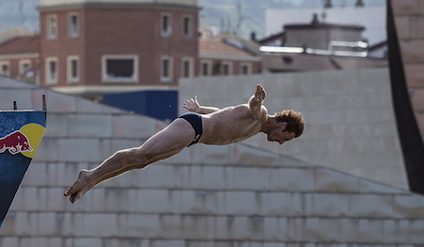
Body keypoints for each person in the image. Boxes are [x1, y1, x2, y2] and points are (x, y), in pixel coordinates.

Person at [64, 84, 305, 203]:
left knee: (141, 162)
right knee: (140, 155)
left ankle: (91, 181)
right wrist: (258, 99)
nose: (281, 144)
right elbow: (253, 106)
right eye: (286, 139)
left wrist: (201, 108)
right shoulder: (260, 116)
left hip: (194, 134)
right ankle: (89, 176)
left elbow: (223, 114)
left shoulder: (254, 127)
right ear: (283, 125)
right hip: (192, 127)